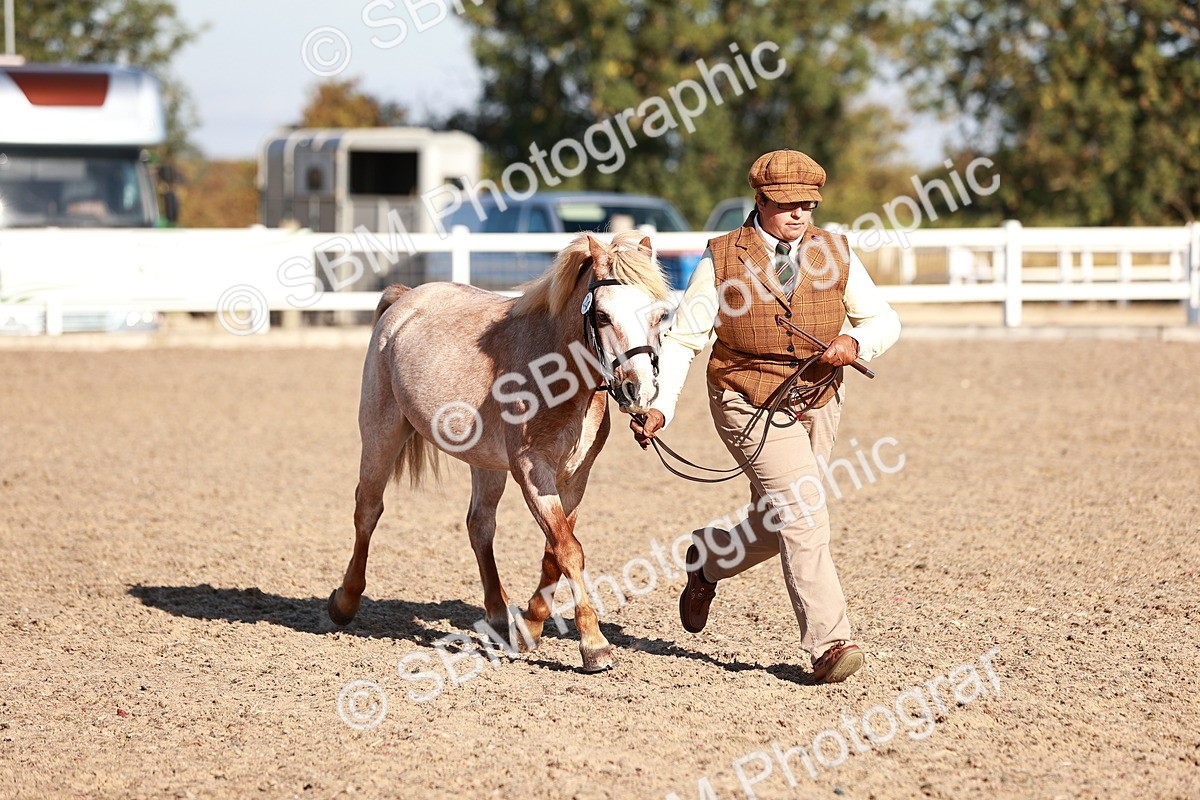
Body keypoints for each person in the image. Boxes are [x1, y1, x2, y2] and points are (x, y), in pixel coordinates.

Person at [630, 149, 901, 684]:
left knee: (782, 521)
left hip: (816, 399)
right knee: (803, 510)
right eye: (787, 204)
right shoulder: (723, 258)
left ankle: (709, 559)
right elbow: (685, 341)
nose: (799, 214)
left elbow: (885, 321)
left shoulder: (838, 252)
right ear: (759, 201)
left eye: (808, 204)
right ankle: (830, 642)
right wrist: (661, 406)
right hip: (744, 399)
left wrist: (857, 341)